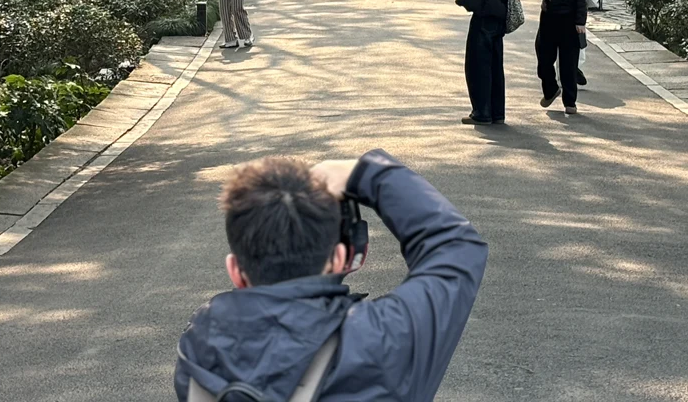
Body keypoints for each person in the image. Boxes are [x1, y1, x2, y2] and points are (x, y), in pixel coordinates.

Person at [175, 150, 486, 402]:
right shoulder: (384, 337)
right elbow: (456, 246)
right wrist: (368, 174)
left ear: (235, 271)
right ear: (340, 258)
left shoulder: (199, 348)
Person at [455, 0, 519, 125]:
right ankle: (497, 113)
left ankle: (481, 112)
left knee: (478, 64)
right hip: (499, 17)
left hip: (484, 16)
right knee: (494, 65)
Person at [533, 0, 587, 115]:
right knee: (543, 56)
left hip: (569, 17)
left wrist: (580, 21)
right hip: (548, 14)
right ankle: (550, 89)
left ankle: (570, 102)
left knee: (568, 62)